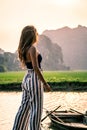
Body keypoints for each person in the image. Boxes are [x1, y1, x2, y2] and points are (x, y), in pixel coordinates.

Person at [12, 25, 51, 130]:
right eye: (36, 32)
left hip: (27, 79)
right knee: (36, 109)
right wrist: (45, 84)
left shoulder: (23, 49)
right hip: (34, 78)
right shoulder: (32, 48)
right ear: (32, 35)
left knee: (24, 107)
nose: (37, 34)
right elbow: (36, 68)